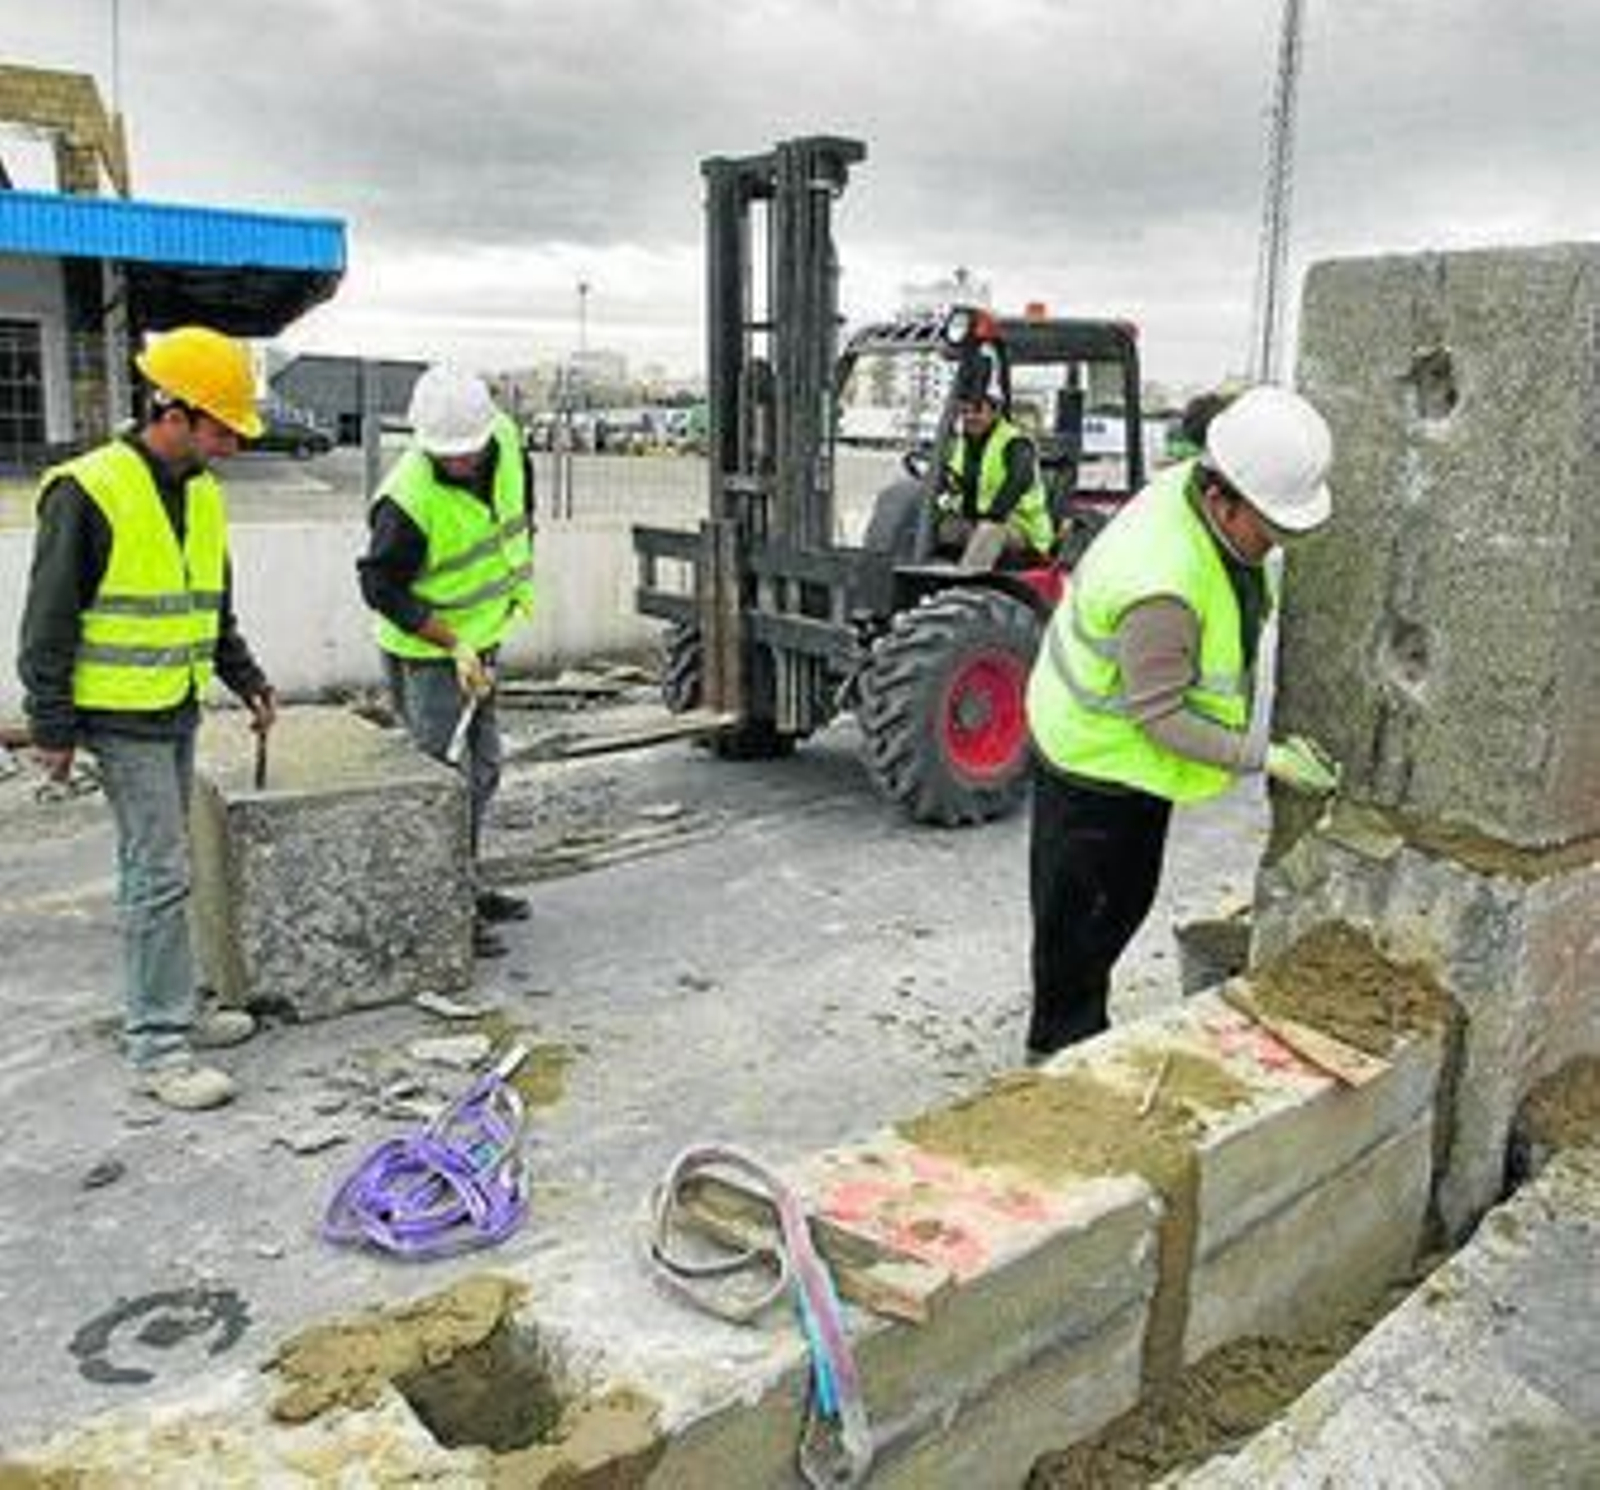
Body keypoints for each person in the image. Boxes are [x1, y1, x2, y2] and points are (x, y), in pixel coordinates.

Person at [1022, 384, 1341, 1060]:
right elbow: (1159, 718)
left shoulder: (1203, 505)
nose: (1278, 542)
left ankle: (1077, 1033)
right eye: (1271, 526)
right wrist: (1265, 756)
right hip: (1096, 762)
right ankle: (1056, 1058)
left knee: (1123, 899)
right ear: (1222, 498)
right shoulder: (1162, 578)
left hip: (1130, 762)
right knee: (1081, 926)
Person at [16, 325, 277, 1111]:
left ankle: (175, 1013)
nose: (231, 444)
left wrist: (248, 679)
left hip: (174, 705)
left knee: (168, 867)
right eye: (223, 427)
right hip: (118, 715)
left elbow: (209, 609)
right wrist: (53, 727)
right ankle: (158, 1044)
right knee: (156, 873)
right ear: (176, 411)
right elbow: (47, 621)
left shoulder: (199, 492)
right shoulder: (88, 490)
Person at [358, 365, 536, 959]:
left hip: (482, 638)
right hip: (429, 655)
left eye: (469, 452)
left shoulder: (504, 439)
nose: (462, 462)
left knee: (484, 770)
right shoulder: (405, 501)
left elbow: (515, 517)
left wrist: (485, 631)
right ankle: (440, 905)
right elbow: (381, 588)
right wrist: (451, 643)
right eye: (448, 456)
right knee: (440, 782)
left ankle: (463, 882)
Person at [933, 387, 1056, 568]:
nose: (970, 417)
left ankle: (966, 587)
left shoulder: (1015, 443)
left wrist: (992, 516)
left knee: (989, 532)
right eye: (965, 412)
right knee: (939, 527)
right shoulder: (964, 442)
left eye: (977, 411)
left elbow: (1017, 481)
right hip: (978, 520)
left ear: (995, 412)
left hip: (1021, 527)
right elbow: (955, 479)